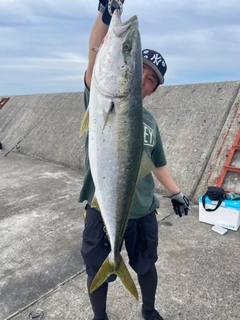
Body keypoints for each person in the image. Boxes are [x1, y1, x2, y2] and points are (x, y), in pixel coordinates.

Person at [79, 1, 190, 320]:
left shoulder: (151, 122)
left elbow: (158, 162)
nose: (143, 78)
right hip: (102, 209)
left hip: (143, 210)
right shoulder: (100, 95)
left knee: (146, 264)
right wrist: (106, 14)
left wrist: (176, 192)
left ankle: (149, 308)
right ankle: (100, 317)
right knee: (96, 267)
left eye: (151, 79)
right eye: (138, 66)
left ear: (154, 90)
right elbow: (94, 53)